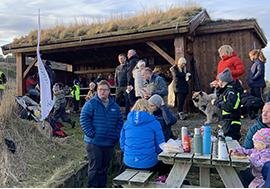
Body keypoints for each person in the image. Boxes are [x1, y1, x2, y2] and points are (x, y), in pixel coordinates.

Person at [80, 80, 123, 188]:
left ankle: (102, 186)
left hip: (109, 142)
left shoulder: (115, 106)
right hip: (94, 142)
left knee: (104, 167)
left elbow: (120, 121)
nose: (102, 92)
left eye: (105, 90)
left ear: (109, 91)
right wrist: (91, 133)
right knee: (94, 167)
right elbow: (84, 119)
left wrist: (116, 135)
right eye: (100, 90)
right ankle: (93, 186)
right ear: (97, 90)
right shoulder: (90, 104)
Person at [120, 98, 166, 175]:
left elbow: (122, 143)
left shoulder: (127, 123)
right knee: (164, 164)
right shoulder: (155, 123)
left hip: (129, 162)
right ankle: (162, 180)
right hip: (149, 164)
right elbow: (161, 146)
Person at [211, 68, 242, 141]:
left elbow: (229, 106)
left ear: (221, 80)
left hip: (231, 124)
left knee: (230, 146)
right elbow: (221, 98)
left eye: (219, 80)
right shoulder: (225, 91)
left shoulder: (231, 91)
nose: (218, 82)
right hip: (224, 123)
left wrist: (216, 102)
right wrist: (218, 88)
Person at [115, 53, 130, 118]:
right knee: (117, 100)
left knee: (127, 100)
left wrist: (129, 84)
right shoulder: (118, 68)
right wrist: (116, 85)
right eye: (119, 59)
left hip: (126, 86)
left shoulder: (128, 66)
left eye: (122, 58)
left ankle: (126, 114)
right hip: (119, 87)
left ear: (125, 58)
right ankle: (115, 113)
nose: (120, 60)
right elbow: (116, 77)